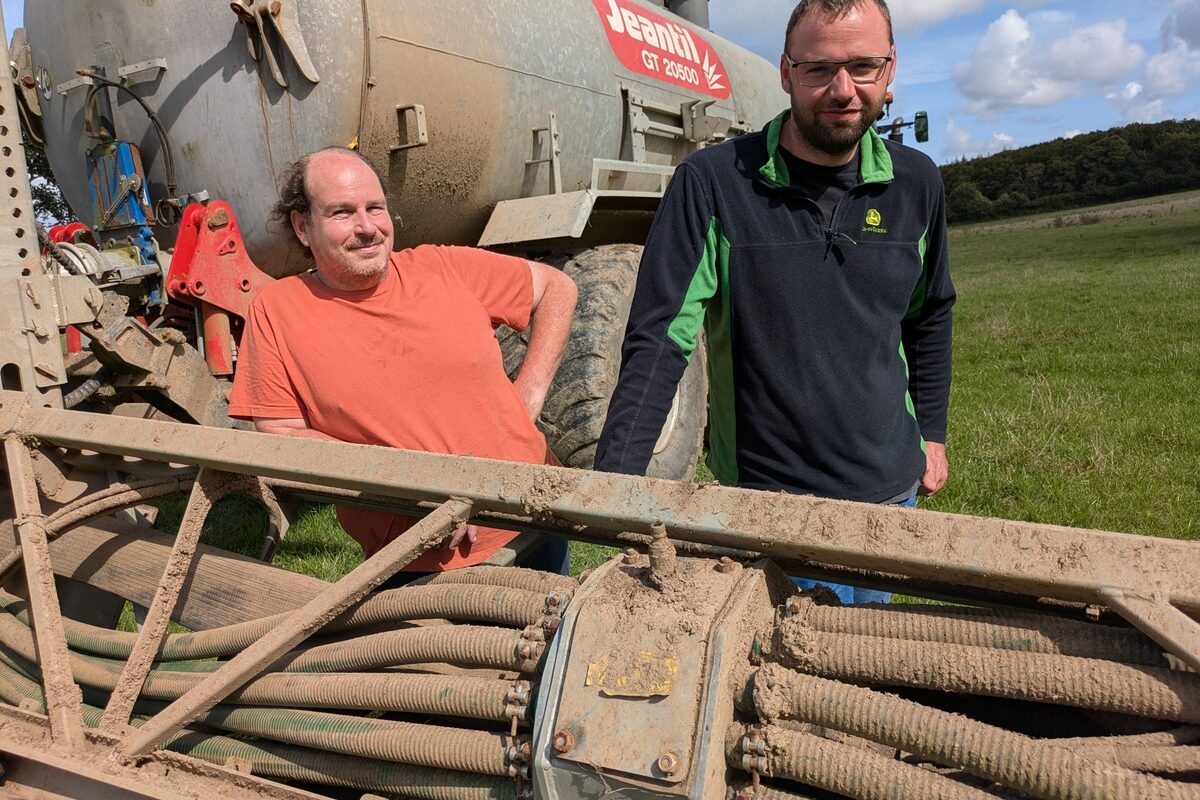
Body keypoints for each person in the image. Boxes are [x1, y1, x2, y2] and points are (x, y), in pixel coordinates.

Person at [594, 0, 954, 603]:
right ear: (785, 73)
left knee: (864, 680)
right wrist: (613, 486)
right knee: (770, 682)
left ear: (890, 70)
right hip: (765, 509)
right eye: (818, 70)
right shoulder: (713, 183)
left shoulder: (916, 183)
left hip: (889, 498)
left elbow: (930, 310)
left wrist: (934, 431)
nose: (842, 89)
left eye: (862, 67)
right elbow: (661, 337)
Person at [228, 146, 578, 576]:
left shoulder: (443, 267)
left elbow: (555, 288)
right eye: (342, 212)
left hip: (531, 520)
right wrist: (410, 484)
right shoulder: (278, 311)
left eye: (375, 208)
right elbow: (282, 436)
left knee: (556, 640)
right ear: (303, 226)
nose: (367, 227)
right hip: (413, 559)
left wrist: (530, 392)